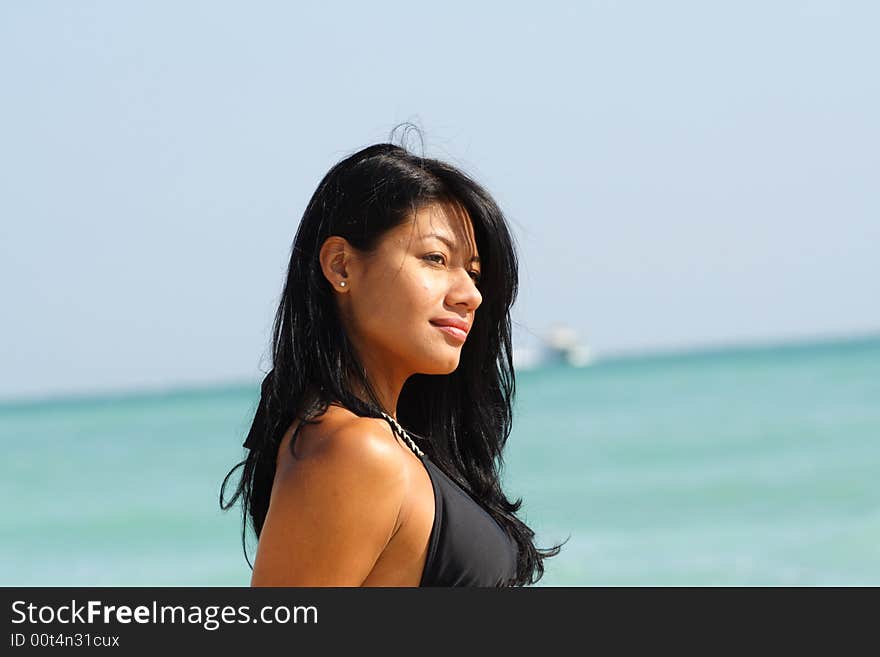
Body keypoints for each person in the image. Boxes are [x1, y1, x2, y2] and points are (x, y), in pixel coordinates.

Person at [220, 131, 563, 586]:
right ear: (341, 266)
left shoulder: (397, 442)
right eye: (436, 258)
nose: (470, 295)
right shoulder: (356, 450)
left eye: (474, 273)